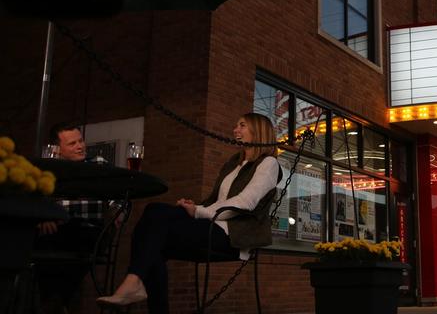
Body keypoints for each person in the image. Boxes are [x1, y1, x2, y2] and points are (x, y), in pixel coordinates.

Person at [97, 113, 282, 313]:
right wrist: (194, 207)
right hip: (213, 224)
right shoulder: (234, 163)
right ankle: (135, 283)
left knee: (155, 229)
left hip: (234, 235)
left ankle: (133, 281)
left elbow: (245, 202)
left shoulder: (268, 164)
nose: (235, 130)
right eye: (236, 125)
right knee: (155, 216)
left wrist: (199, 212)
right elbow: (216, 201)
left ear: (258, 130)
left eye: (242, 125)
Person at [35, 121, 113, 313]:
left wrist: (119, 211)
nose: (80, 146)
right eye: (72, 144)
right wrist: (43, 215)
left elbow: (119, 195)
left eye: (81, 141)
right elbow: (34, 198)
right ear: (57, 149)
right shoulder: (48, 170)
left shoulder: (97, 165)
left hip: (89, 229)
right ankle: (51, 302)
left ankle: (54, 302)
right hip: (56, 230)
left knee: (70, 244)